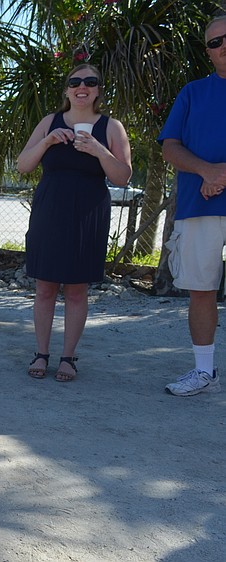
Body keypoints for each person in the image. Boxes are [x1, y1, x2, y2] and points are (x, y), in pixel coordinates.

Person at [16, 64, 131, 382]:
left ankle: (68, 358)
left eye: (90, 82)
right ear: (67, 89)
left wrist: (99, 150)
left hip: (87, 214)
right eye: (76, 81)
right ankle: (41, 353)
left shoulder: (111, 127)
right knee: (44, 287)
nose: (83, 86)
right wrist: (47, 142)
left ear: (98, 90)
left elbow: (122, 176)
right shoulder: (49, 122)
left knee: (77, 289)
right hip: (49, 211)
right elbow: (23, 165)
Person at [159, 15, 226, 397]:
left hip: (210, 192)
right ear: (208, 52)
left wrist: (220, 174)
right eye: (215, 42)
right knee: (201, 290)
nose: (222, 46)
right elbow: (170, 147)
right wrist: (206, 171)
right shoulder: (192, 92)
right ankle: (204, 373)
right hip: (198, 206)